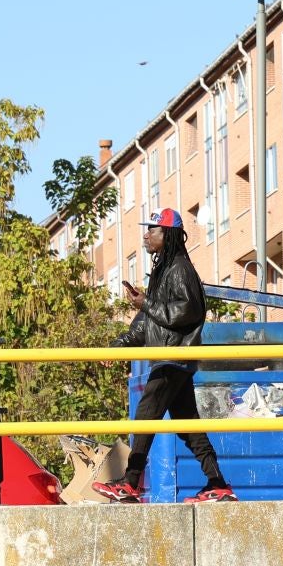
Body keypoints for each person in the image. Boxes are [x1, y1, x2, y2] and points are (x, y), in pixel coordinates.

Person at [94, 208, 236, 503]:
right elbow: (146, 325)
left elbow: (186, 311)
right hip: (171, 358)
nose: (146, 235)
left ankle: (131, 481)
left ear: (168, 235)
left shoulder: (180, 269)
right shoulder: (164, 270)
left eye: (153, 230)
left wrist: (146, 303)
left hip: (173, 358)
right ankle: (217, 483)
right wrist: (118, 346)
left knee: (145, 416)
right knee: (189, 427)